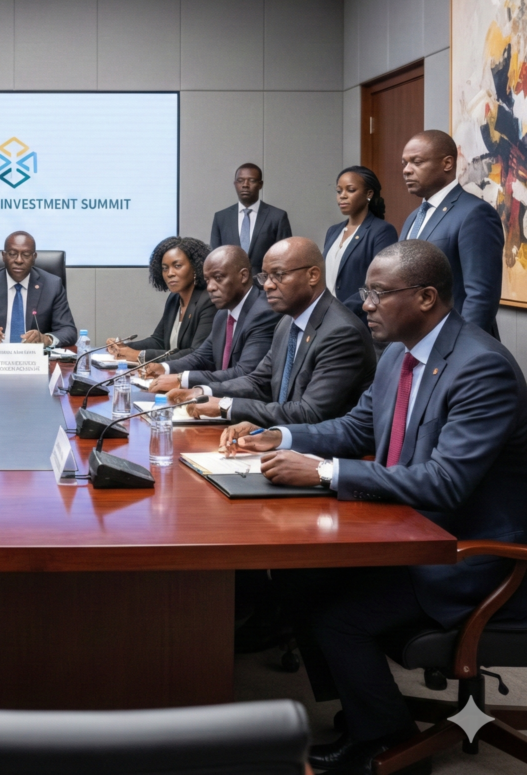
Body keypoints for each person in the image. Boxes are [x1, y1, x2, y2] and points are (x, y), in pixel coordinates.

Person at [222, 241, 527, 774]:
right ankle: (367, 713)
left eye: (379, 293)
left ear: (427, 297)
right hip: (406, 531)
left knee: (337, 616)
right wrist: (280, 434)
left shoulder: (482, 369)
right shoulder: (397, 354)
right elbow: (356, 428)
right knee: (296, 581)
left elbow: (447, 483)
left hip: (466, 556)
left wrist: (321, 471)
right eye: (366, 291)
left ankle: (388, 747)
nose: (364, 303)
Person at [173, 237, 376, 426]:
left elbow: (310, 413)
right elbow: (259, 381)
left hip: (319, 456)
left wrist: (226, 406)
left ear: (312, 275)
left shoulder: (341, 332)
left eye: (278, 275)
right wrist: (204, 391)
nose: (268, 285)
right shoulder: (287, 322)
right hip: (283, 441)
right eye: (265, 276)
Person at [400, 129, 503, 337]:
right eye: (405, 163)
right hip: (415, 340)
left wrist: (462, 348)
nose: (407, 170)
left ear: (447, 164)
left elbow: (481, 296)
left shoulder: (475, 214)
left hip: (454, 345)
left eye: (417, 162)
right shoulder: (413, 217)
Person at [143, 245, 278, 392]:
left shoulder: (263, 313)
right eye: (207, 280)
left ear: (243, 276)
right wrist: (164, 368)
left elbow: (244, 373)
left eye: (218, 278)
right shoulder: (222, 314)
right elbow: (201, 356)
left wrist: (181, 379)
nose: (210, 287)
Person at [0, 231, 77, 348]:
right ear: (4, 256)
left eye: (26, 255)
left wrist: (47, 339)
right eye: (12, 254)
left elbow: (68, 330)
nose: (19, 260)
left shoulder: (52, 285)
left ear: (34, 257)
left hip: (36, 360)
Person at [107, 237, 215, 364]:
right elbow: (159, 340)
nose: (170, 273)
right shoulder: (174, 299)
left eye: (177, 266)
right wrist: (124, 346)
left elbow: (195, 353)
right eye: (165, 268)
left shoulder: (208, 301)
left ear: (196, 267)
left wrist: (140, 355)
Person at [323, 166, 398, 325]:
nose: (342, 196)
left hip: (359, 320)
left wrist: (340, 312)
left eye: (350, 190)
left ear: (369, 194)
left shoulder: (382, 231)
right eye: (339, 191)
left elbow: (379, 281)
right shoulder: (333, 231)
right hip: (326, 319)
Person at [210, 163, 292, 270]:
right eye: (240, 181)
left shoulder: (277, 217)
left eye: (252, 180)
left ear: (260, 184)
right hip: (229, 283)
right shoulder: (221, 217)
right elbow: (215, 257)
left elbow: (285, 257)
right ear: (235, 184)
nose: (245, 185)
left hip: (265, 283)